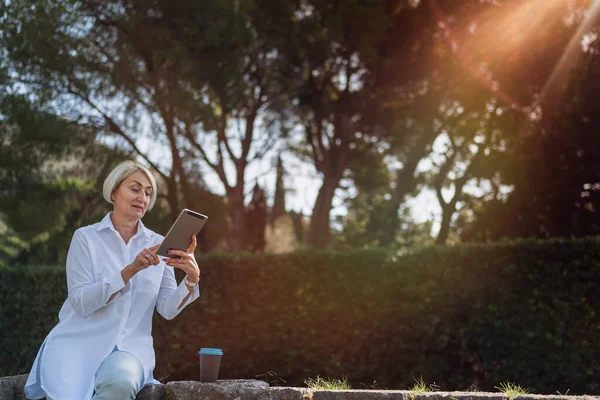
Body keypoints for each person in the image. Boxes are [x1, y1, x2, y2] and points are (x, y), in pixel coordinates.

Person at [24, 161, 201, 400]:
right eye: (135, 189)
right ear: (114, 192)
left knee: (121, 382)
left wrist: (191, 280)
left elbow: (167, 309)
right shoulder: (85, 238)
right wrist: (130, 270)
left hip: (129, 349)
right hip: (78, 343)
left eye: (148, 193)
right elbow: (80, 302)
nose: (143, 197)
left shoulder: (159, 243)